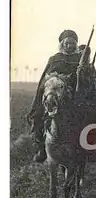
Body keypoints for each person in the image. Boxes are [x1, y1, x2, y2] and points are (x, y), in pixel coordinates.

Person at [27, 29, 82, 163]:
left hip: (74, 94)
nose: (70, 46)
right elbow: (46, 78)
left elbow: (89, 77)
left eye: (72, 43)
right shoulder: (54, 59)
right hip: (54, 92)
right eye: (67, 43)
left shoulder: (80, 59)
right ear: (62, 44)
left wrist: (82, 72)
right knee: (39, 114)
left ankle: (85, 149)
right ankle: (42, 148)